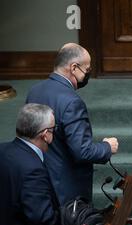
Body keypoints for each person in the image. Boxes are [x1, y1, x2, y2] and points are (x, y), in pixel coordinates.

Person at [26, 43, 119, 205]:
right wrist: (107, 147)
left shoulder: (35, 90)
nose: (87, 75)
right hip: (65, 190)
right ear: (74, 67)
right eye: (87, 70)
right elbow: (82, 151)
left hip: (38, 180)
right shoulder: (72, 102)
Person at [0, 104, 59, 225]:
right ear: (45, 134)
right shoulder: (32, 168)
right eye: (53, 129)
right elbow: (42, 219)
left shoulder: (3, 151)